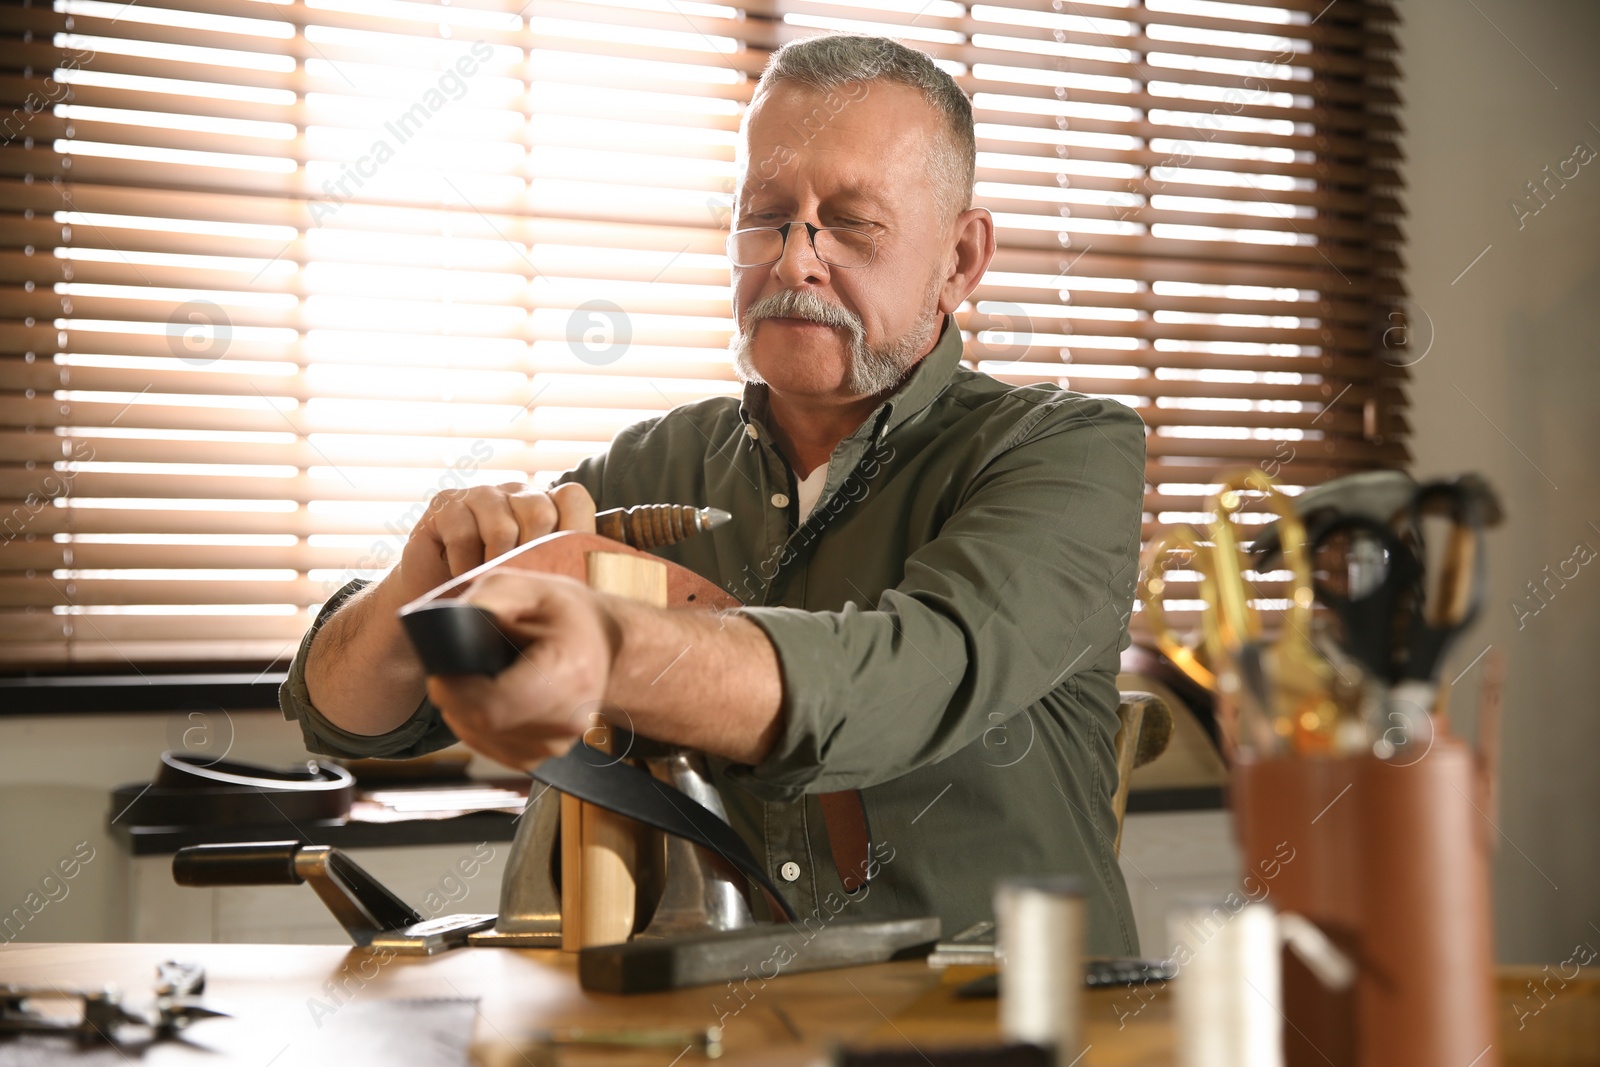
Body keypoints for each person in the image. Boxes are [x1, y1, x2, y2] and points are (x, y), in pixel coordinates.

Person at [282, 33, 1148, 956]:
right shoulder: (648, 467)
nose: (793, 261)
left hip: (1010, 1033)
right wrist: (422, 592)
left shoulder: (1068, 453)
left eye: (851, 222)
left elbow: (909, 670)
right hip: (703, 1037)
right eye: (767, 214)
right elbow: (343, 716)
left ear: (962, 260)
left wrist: (616, 651)